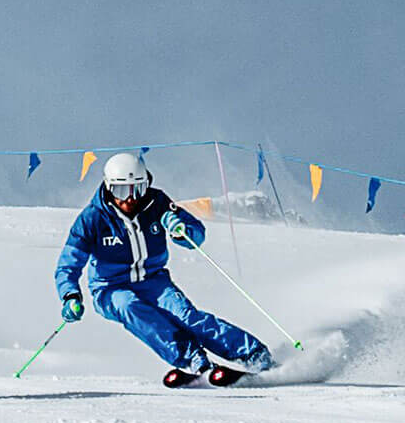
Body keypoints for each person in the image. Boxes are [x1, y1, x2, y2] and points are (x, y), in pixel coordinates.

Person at [55, 152, 273, 385]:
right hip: (110, 288)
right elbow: (68, 265)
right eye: (122, 191)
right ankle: (194, 360)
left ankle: (253, 354)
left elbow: (197, 235)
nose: (130, 199)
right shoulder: (92, 219)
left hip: (154, 281)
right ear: (109, 188)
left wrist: (181, 230)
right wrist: (70, 295)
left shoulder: (156, 203)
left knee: (187, 316)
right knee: (130, 306)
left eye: (137, 189)